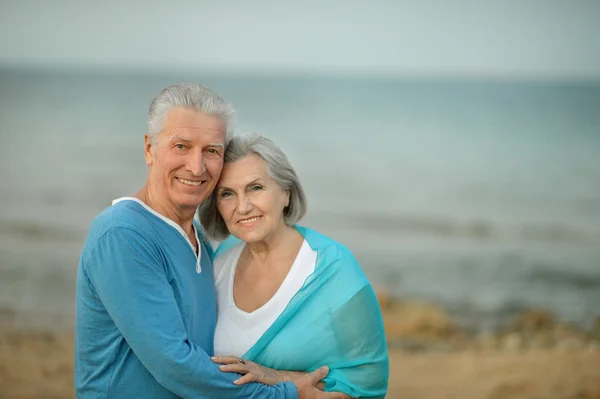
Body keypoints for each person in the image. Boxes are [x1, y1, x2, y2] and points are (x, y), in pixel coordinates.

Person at [74, 84, 347, 398]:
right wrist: (286, 394)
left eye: (211, 151)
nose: (196, 166)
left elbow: (212, 352)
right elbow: (174, 364)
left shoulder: (198, 239)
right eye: (181, 146)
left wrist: (281, 375)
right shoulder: (122, 234)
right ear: (150, 149)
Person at [199, 133, 389, 398]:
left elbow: (368, 387)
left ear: (286, 193)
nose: (242, 206)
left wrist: (278, 378)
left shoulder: (335, 270)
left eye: (255, 187)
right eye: (227, 194)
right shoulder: (221, 259)